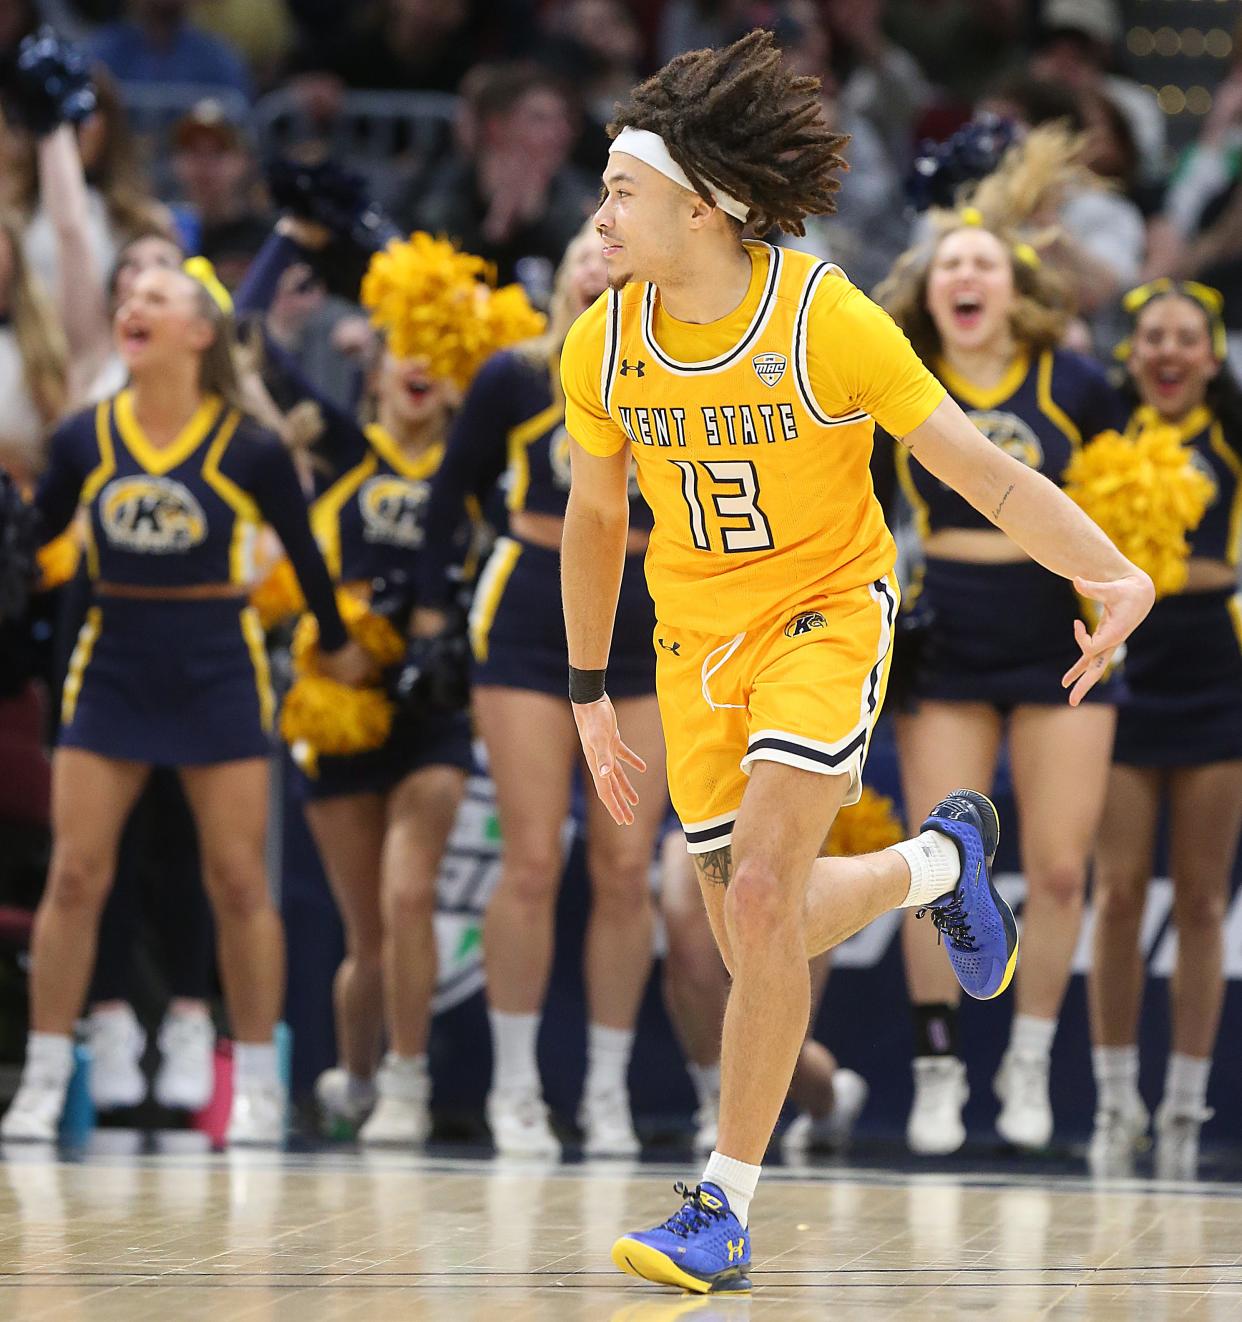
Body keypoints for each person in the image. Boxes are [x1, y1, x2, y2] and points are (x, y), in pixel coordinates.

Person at [559, 30, 1152, 1294]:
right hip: (689, 642)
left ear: (705, 207)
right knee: (751, 932)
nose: (599, 212)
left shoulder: (826, 316)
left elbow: (981, 470)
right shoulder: (602, 346)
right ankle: (939, 856)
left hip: (827, 612)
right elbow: (598, 523)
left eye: (621, 189)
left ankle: (721, 1206)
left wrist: (1108, 570)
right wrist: (586, 692)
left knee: (764, 903)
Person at [0, 261, 370, 1145]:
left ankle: (253, 1083)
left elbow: (308, 562)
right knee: (77, 875)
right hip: (115, 659)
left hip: (215, 664)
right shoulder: (86, 437)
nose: (133, 306)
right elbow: (35, 541)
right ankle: (46, 1076)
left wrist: (337, 639)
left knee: (238, 882)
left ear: (201, 334)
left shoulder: (248, 446)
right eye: (129, 299)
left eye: (157, 299)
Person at [874, 187, 1128, 1154]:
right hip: (949, 633)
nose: (967, 275)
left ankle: (1027, 1063)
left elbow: (1122, 509)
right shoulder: (902, 381)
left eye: (983, 263)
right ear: (928, 293)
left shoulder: (1074, 380)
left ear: (1013, 286)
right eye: (950, 266)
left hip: (1057, 630)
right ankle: (937, 1069)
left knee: (1061, 871)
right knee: (935, 863)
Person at [415, 225, 667, 1157]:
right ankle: (515, 1089)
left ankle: (605, 1091)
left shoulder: (677, 372)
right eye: (584, 259)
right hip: (529, 606)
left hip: (648, 612)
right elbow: (450, 495)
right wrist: (435, 618)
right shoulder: (515, 378)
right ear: (561, 284)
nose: (600, 264)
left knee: (620, 861)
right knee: (530, 857)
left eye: (615, 255)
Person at [1089, 280, 1242, 1180]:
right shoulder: (1101, 425)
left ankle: (1185, 1106)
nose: (1171, 352)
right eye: (1154, 337)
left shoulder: (1231, 434)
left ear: (1213, 357)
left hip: (1215, 682)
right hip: (1122, 676)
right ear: (1133, 351)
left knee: (1198, 900)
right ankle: (1115, 1102)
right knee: (1114, 896)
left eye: (1189, 338)